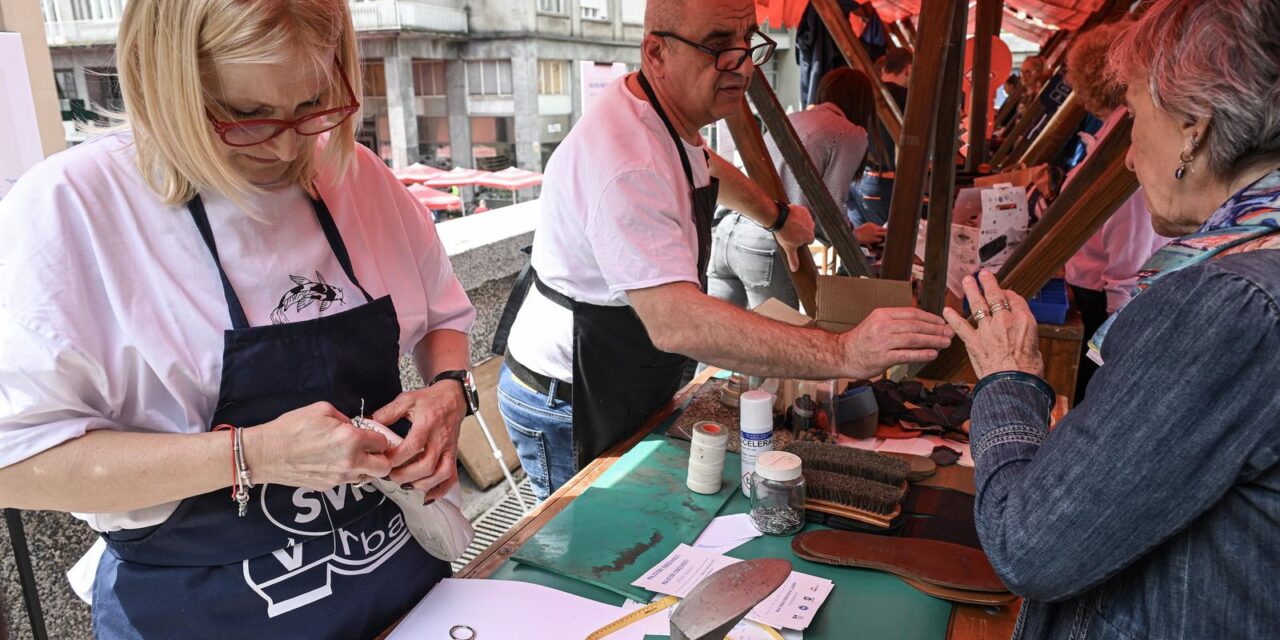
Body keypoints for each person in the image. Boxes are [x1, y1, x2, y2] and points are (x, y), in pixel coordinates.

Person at [0, 0, 477, 636]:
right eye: (245, 115)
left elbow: (445, 314)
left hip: (396, 585)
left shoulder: (354, 173)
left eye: (312, 103)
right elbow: (16, 464)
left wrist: (448, 392)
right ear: (159, 78)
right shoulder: (73, 207)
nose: (287, 146)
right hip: (203, 611)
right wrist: (251, 454)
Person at [495, 0, 954, 500]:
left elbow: (706, 164)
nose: (742, 65)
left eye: (747, 43)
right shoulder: (629, 163)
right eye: (717, 47)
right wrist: (845, 351)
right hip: (567, 394)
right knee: (578, 540)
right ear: (656, 51)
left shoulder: (663, 115)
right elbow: (679, 322)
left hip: (617, 365)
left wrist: (778, 217)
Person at [944, 1, 1280, 637]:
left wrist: (1008, 377)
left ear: (1194, 128)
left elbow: (1029, 544)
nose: (1128, 158)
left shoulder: (1223, 307)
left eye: (1137, 122)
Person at [707, 67, 884, 311]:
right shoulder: (849, 132)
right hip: (767, 236)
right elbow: (830, 208)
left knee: (720, 341)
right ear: (865, 103)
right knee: (776, 341)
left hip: (726, 232)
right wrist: (855, 235)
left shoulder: (795, 118)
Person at [1059, 19, 1169, 403]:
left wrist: (1112, 336)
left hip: (1106, 299)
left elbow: (1131, 240)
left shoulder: (1127, 141)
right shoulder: (1116, 132)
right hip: (1098, 290)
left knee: (1090, 395)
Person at [848, 46, 911, 227]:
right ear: (908, 69)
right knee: (889, 247)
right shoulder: (909, 99)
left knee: (866, 249)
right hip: (884, 184)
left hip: (858, 181)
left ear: (884, 69)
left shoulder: (863, 95)